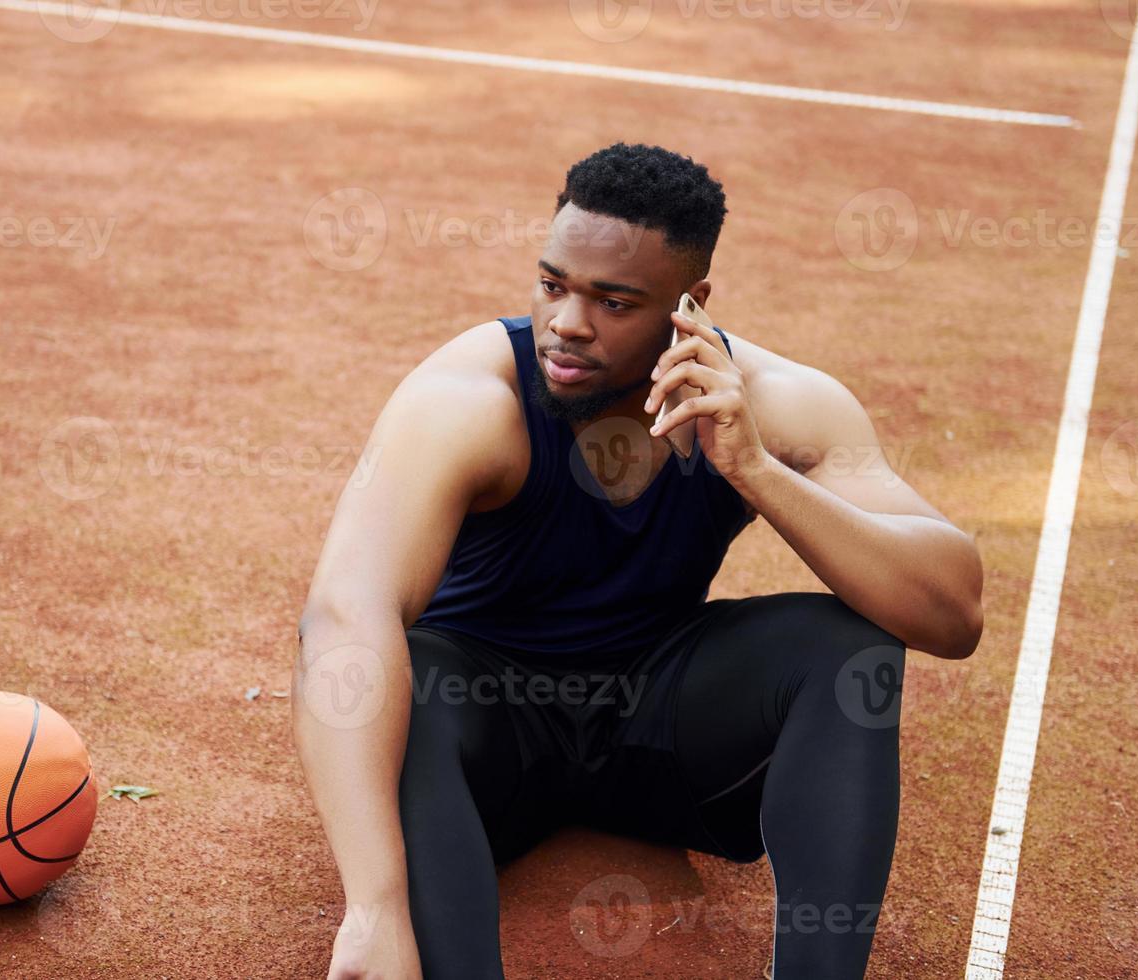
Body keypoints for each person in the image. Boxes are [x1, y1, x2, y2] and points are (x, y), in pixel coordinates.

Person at [292, 142, 984, 980]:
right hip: (483, 741)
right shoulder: (471, 400)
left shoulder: (770, 403)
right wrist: (373, 907)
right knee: (419, 678)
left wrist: (754, 470)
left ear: (688, 306)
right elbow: (344, 613)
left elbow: (953, 613)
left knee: (843, 644)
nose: (568, 323)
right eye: (553, 285)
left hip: (653, 725)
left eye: (614, 301)